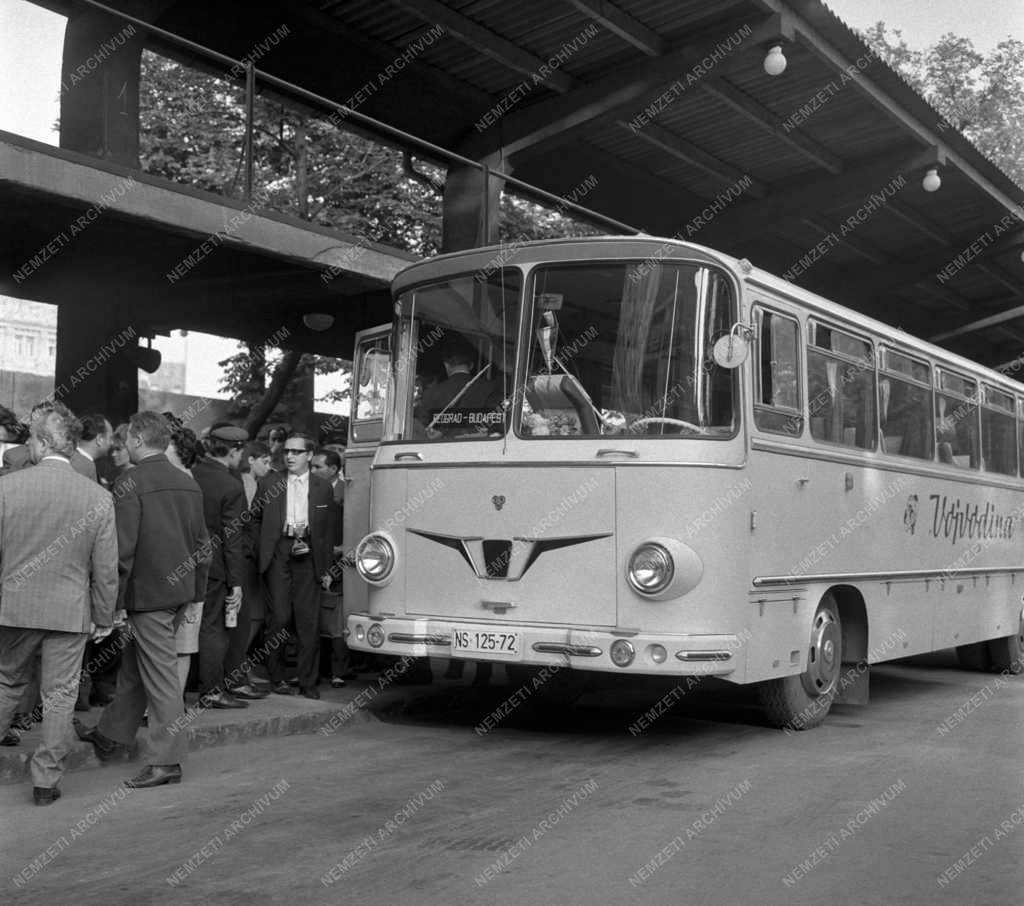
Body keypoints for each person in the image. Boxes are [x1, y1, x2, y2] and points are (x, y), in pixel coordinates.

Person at [76, 411, 211, 789]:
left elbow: (122, 551)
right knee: (138, 666)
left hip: (148, 595)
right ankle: (111, 734)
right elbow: (204, 546)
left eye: (127, 440)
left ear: (136, 440)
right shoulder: (187, 482)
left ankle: (167, 762)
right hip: (178, 593)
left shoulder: (130, 481)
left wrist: (109, 605)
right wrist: (196, 594)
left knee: (162, 678)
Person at [0, 403, 118, 805]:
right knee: (61, 695)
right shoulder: (98, 497)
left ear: (44, 441)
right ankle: (45, 783)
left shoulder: (7, 487)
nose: (27, 445)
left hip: (14, 606)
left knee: (7, 681)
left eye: (31, 437)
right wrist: (104, 614)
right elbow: (105, 568)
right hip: (70, 611)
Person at [248, 432, 337, 699]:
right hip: (279, 551)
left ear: (309, 455)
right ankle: (277, 678)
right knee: (279, 618)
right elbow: (253, 519)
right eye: (286, 451)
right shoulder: (269, 482)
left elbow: (328, 532)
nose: (289, 456)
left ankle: (308, 682)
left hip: (309, 554)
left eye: (296, 452)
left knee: (308, 621)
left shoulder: (323, 487)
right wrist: (259, 549)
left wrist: (328, 569)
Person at [191, 424, 257, 707]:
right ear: (234, 450)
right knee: (213, 629)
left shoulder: (192, 474)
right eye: (241, 451)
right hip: (216, 567)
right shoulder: (231, 485)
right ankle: (212, 690)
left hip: (188, 562)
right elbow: (233, 538)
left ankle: (194, 685)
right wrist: (237, 581)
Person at [166, 424, 205, 698]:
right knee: (180, 646)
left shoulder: (185, 484)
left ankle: (170, 705)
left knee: (180, 646)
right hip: (188, 578)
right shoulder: (187, 482)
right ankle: (170, 705)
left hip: (184, 578)